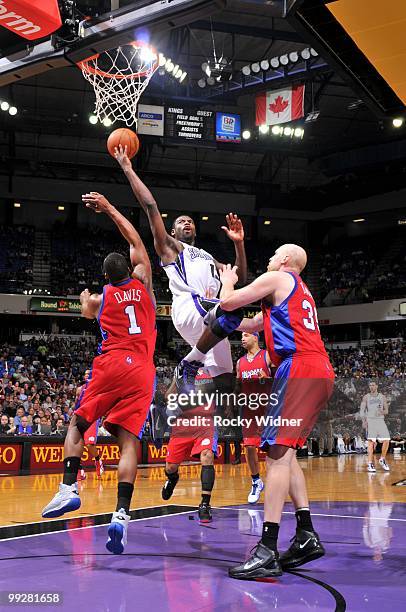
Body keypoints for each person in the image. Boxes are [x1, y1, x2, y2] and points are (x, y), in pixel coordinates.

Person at [42, 193, 156, 556]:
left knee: (77, 423)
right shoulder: (144, 284)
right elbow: (136, 240)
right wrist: (109, 207)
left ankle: (69, 488)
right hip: (144, 370)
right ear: (133, 269)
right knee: (128, 442)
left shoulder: (100, 298)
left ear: (107, 276)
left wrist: (84, 295)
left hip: (113, 363)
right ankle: (121, 513)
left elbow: (85, 310)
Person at [219, 244, 335, 580]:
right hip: (317, 369)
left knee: (275, 456)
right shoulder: (300, 293)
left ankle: (267, 549)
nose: (268, 258)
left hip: (298, 367)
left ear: (285, 260)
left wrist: (228, 282)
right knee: (288, 454)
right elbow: (251, 324)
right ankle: (306, 534)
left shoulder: (278, 277)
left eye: (273, 254)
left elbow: (229, 302)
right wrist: (212, 317)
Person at [114, 145, 247, 395]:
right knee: (232, 312)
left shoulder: (209, 258)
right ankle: (190, 362)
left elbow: (239, 276)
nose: (187, 223)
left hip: (211, 319)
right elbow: (151, 207)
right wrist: (128, 168)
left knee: (226, 383)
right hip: (190, 308)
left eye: (190, 221)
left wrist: (239, 244)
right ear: (172, 232)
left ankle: (169, 400)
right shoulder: (172, 248)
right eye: (181, 222)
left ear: (195, 230)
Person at [162, 370, 217, 522]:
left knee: (207, 455)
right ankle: (172, 479)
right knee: (170, 468)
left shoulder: (213, 367)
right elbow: (168, 395)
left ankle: (205, 504)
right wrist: (173, 399)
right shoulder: (182, 370)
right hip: (183, 424)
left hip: (205, 422)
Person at [235, 332, 272, 503]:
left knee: (273, 450)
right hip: (249, 410)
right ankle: (256, 481)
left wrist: (269, 378)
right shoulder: (239, 363)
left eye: (246, 335)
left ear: (256, 337)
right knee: (249, 447)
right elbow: (237, 386)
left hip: (268, 408)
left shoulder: (267, 356)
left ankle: (275, 482)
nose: (242, 339)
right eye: (241, 336)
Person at [75, 370, 104, 480]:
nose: (86, 375)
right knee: (77, 445)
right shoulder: (80, 389)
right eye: (85, 373)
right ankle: (80, 469)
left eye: (89, 374)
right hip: (81, 416)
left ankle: (98, 460)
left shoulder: (99, 387)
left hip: (93, 417)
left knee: (89, 444)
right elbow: (77, 403)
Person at [360, 381, 390, 472]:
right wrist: (364, 421)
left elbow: (386, 411)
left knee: (387, 440)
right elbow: (362, 410)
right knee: (371, 442)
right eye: (370, 385)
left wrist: (381, 412)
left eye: (373, 385)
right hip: (371, 421)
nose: (371, 387)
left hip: (380, 420)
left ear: (376, 386)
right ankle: (370, 463)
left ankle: (382, 459)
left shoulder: (382, 397)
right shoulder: (366, 397)